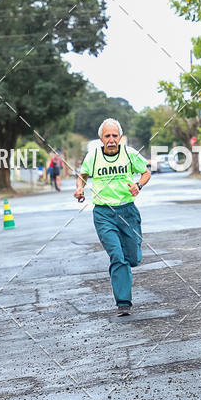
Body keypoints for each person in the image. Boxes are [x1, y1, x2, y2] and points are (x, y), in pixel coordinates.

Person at [74, 118, 151, 316]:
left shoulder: (129, 154)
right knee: (117, 256)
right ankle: (123, 302)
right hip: (103, 214)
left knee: (131, 257)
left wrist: (138, 185)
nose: (111, 139)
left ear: (120, 137)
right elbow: (83, 175)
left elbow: (145, 172)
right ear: (101, 138)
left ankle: (130, 258)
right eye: (107, 136)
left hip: (127, 212)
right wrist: (80, 188)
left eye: (114, 135)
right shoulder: (93, 156)